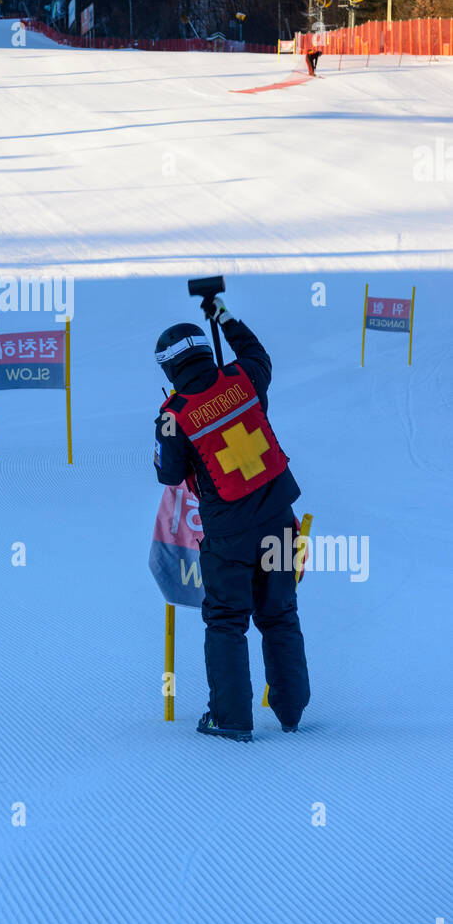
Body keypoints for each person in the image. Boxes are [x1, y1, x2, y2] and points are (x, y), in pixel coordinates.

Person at [153, 298, 310, 742]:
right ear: (205, 349)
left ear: (169, 369)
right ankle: (292, 711)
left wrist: (165, 434)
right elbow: (258, 354)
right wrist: (225, 317)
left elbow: (168, 474)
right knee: (280, 614)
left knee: (225, 621)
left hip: (228, 535)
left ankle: (231, 718)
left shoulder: (174, 415)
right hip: (279, 519)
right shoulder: (243, 377)